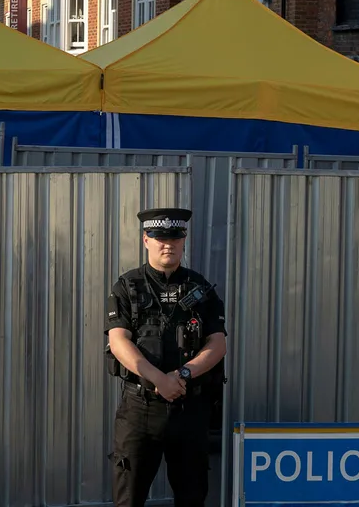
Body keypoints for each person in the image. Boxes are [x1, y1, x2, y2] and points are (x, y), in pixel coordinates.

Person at [105, 207, 227, 507]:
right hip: (140, 409)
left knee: (191, 497)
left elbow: (218, 342)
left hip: (190, 409)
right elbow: (118, 341)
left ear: (183, 241)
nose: (167, 244)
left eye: (174, 237)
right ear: (146, 240)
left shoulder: (200, 288)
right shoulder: (127, 287)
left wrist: (182, 375)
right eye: (159, 237)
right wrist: (159, 378)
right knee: (128, 498)